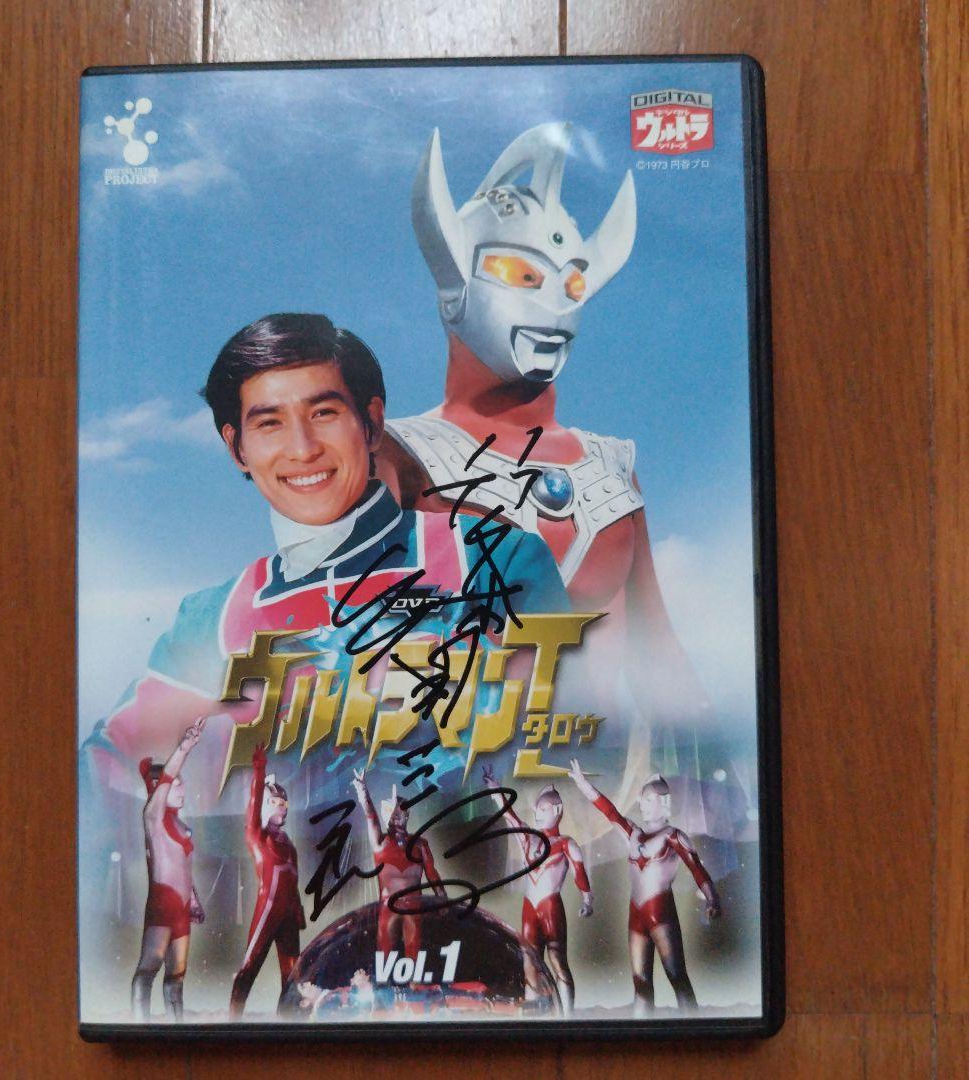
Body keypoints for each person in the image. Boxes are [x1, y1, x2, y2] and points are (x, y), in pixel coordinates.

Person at [87, 313, 572, 801]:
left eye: (323, 413)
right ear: (237, 448)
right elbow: (106, 766)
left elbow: (576, 738)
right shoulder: (213, 617)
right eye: (270, 422)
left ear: (372, 423)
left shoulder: (491, 560)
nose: (302, 449)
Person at [378, 123, 715, 810]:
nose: (554, 299)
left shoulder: (612, 466)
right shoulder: (400, 452)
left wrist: (720, 775)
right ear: (456, 278)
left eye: (572, 279)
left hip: (609, 794)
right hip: (461, 800)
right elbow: (361, 648)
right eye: (521, 275)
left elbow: (658, 647)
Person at [567, 758, 720, 1014]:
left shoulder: (673, 836)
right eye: (642, 799)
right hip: (636, 914)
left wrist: (712, 898)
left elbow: (696, 868)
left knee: (677, 977)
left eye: (649, 800)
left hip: (661, 912)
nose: (643, 804)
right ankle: (640, 1031)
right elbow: (609, 811)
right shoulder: (632, 833)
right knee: (640, 984)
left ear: (665, 803)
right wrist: (583, 784)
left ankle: (693, 1029)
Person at [481, 764, 592, 1014]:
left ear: (557, 811)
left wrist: (587, 899)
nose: (538, 813)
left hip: (550, 906)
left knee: (557, 960)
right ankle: (534, 1013)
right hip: (529, 908)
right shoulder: (528, 838)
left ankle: (567, 1017)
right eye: (537, 809)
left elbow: (580, 873)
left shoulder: (566, 843)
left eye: (543, 809)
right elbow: (510, 816)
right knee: (529, 961)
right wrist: (495, 789)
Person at [130, 716, 207, 1021]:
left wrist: (195, 901)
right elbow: (166, 778)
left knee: (177, 975)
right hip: (162, 905)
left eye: (182, 782)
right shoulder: (153, 816)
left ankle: (177, 1029)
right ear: (158, 788)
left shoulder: (181, 824)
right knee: (149, 967)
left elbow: (185, 866)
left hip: (182, 908)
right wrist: (185, 747)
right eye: (175, 783)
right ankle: (139, 1026)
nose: (181, 787)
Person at [230, 745, 303, 1017]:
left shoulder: (288, 843)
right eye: (276, 802)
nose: (281, 807)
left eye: (284, 803)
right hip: (268, 908)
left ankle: (288, 1021)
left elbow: (293, 880)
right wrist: (259, 771)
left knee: (292, 973)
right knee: (251, 964)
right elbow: (253, 804)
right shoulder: (257, 835)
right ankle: (233, 1020)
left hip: (289, 913)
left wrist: (298, 910)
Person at [351, 768, 447, 960]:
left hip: (414, 905)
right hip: (388, 905)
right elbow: (371, 818)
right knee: (384, 953)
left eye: (400, 812)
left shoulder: (419, 844)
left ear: (407, 815)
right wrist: (363, 792)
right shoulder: (381, 842)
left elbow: (432, 873)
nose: (396, 816)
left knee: (413, 952)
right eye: (392, 812)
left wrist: (442, 898)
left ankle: (412, 976)